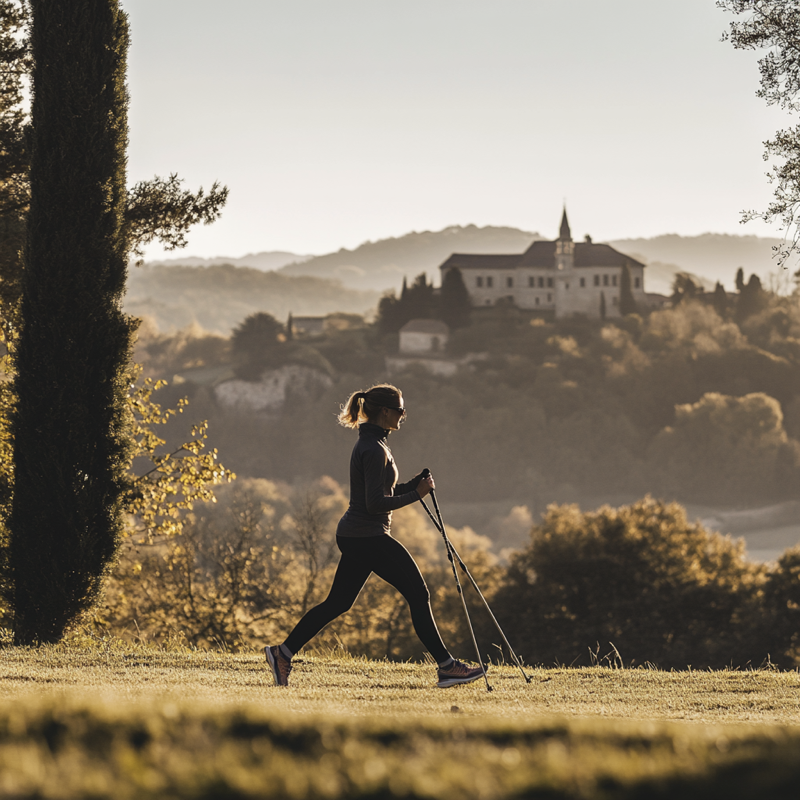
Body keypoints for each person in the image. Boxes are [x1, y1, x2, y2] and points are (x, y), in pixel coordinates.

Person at [265, 383, 484, 689]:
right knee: (418, 594)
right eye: (400, 410)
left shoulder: (375, 444)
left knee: (338, 602)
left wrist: (413, 486)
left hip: (358, 535)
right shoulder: (371, 448)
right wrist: (416, 495)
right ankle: (447, 667)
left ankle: (282, 653)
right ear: (385, 411)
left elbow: (385, 492)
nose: (403, 415)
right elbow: (374, 504)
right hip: (366, 536)